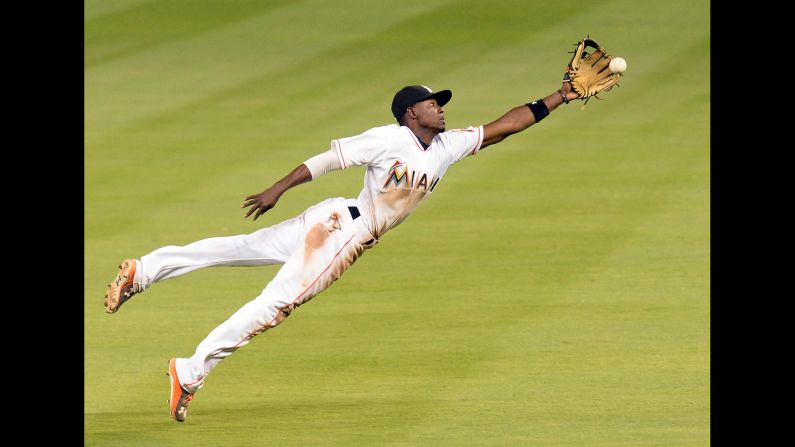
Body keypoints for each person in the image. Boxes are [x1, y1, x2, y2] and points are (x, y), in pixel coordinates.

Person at [104, 80, 581, 422]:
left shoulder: (446, 147)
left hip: (331, 218)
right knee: (274, 304)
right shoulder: (389, 137)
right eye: (433, 103)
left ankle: (144, 271)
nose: (441, 108)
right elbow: (329, 159)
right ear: (411, 112)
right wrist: (278, 188)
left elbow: (506, 125)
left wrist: (562, 95)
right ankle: (189, 371)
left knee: (240, 248)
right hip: (342, 234)